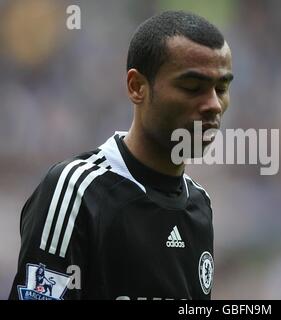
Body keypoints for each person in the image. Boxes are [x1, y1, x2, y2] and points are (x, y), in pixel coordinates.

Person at [9, 10, 233, 300]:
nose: (214, 104)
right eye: (192, 87)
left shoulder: (200, 205)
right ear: (137, 86)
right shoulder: (76, 191)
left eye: (222, 88)